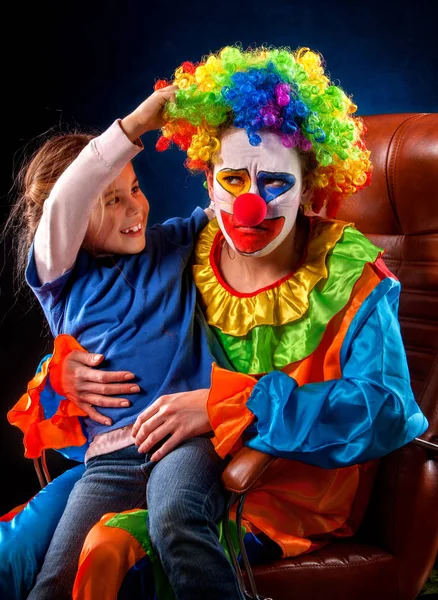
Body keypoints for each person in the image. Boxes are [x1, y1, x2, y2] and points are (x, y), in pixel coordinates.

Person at [4, 45, 428, 599]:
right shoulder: (192, 248)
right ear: (207, 181)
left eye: (275, 183)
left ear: (312, 187)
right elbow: (123, 332)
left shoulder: (350, 275)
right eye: (232, 180)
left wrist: (233, 403)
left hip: (275, 485)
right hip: (139, 453)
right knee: (15, 550)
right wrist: (61, 374)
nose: (250, 206)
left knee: (108, 552)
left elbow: (389, 410)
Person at [3, 85, 245, 600]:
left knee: (176, 519)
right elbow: (67, 199)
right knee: (56, 580)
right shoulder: (60, 279)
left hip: (185, 438)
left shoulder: (173, 243)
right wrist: (134, 125)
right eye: (111, 200)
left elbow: (231, 199)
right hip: (111, 459)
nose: (135, 207)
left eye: (134, 188)